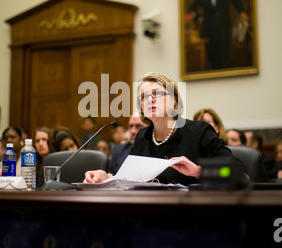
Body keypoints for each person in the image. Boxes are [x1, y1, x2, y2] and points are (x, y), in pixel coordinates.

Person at [84, 72, 244, 186]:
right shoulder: (142, 137)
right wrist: (105, 176)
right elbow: (128, 178)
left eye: (157, 93)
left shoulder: (199, 131)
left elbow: (238, 173)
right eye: (144, 97)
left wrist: (198, 172)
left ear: (174, 100)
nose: (150, 100)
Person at [188, 0, 248, 70]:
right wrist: (200, 18)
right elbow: (192, 9)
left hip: (224, 31)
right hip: (209, 33)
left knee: (223, 60)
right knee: (212, 60)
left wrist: (242, 12)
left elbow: (237, 3)